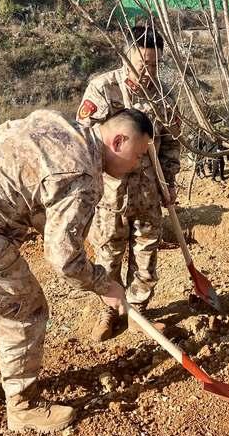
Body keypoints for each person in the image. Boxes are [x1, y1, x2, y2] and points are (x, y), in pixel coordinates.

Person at [0, 108, 152, 433]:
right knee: (23, 309)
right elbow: (63, 258)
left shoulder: (62, 126)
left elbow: (39, 200)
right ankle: (23, 407)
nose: (137, 164)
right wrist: (105, 284)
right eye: (138, 155)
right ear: (118, 141)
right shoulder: (82, 175)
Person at [76, 26, 181, 342]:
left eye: (153, 64)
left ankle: (138, 311)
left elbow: (173, 144)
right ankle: (108, 311)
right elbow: (85, 140)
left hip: (150, 190)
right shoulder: (102, 89)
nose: (146, 71)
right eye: (141, 63)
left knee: (146, 255)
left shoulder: (164, 96)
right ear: (126, 56)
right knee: (108, 253)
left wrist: (170, 182)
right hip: (109, 193)